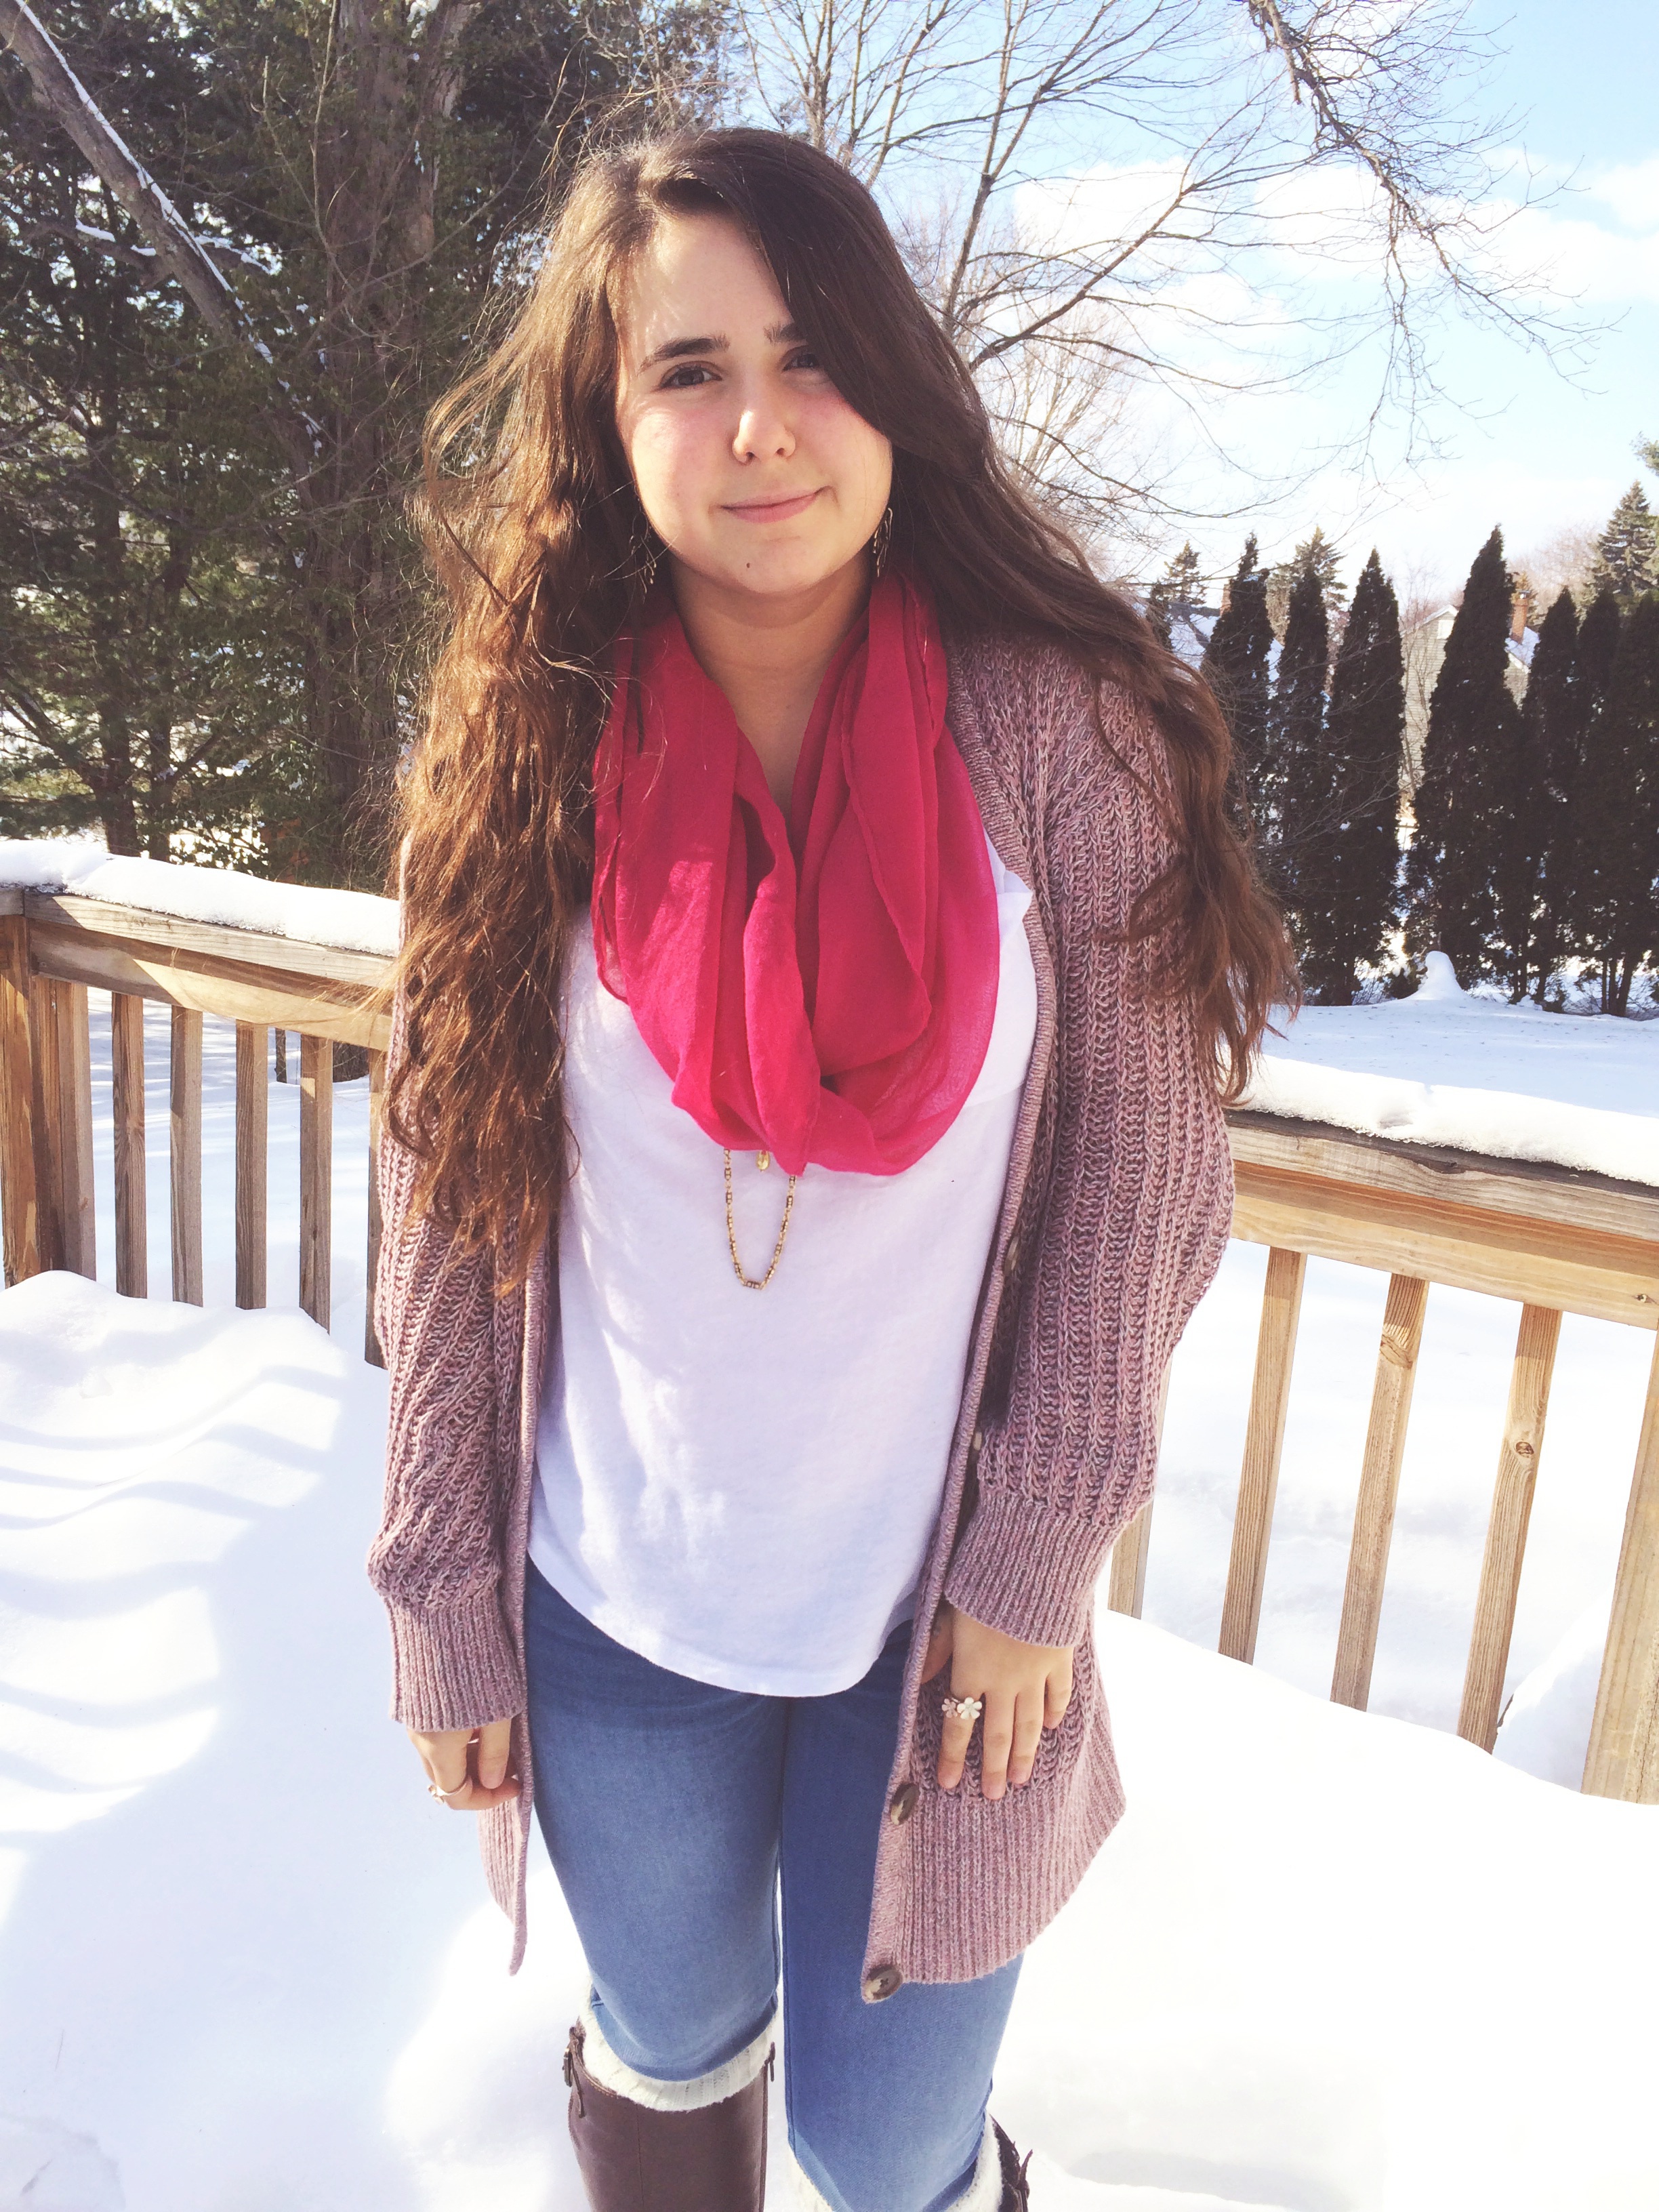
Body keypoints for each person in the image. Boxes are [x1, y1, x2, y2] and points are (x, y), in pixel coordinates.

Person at [369, 127, 1292, 2212]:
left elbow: (1142, 1189)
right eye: (688, 370)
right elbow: (449, 1189)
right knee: (673, 2042)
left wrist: (1034, 1562)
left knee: (887, 2143)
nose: (760, 426)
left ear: (893, 381)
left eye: (810, 356)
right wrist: (440, 1593)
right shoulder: (527, 737)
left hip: (942, 1622)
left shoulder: (1061, 734)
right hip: (614, 1602)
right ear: (611, 419)